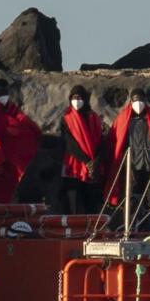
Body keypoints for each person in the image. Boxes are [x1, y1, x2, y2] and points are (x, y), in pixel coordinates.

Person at [109, 88, 150, 231]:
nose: (138, 103)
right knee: (131, 196)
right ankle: (130, 226)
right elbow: (115, 140)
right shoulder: (124, 119)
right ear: (130, 101)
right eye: (135, 100)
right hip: (132, 165)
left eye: (141, 100)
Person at [0, 79, 41, 204]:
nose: (4, 95)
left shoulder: (12, 107)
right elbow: (0, 127)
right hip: (1, 157)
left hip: (14, 156)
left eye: (6, 92)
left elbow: (24, 122)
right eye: (1, 92)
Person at [59, 85, 105, 214]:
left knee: (90, 200)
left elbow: (100, 141)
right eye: (74, 98)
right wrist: (87, 161)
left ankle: (91, 228)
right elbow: (69, 144)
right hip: (74, 164)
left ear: (85, 99)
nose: (77, 100)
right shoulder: (66, 118)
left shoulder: (93, 117)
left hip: (92, 166)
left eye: (80, 97)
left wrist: (95, 161)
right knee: (72, 199)